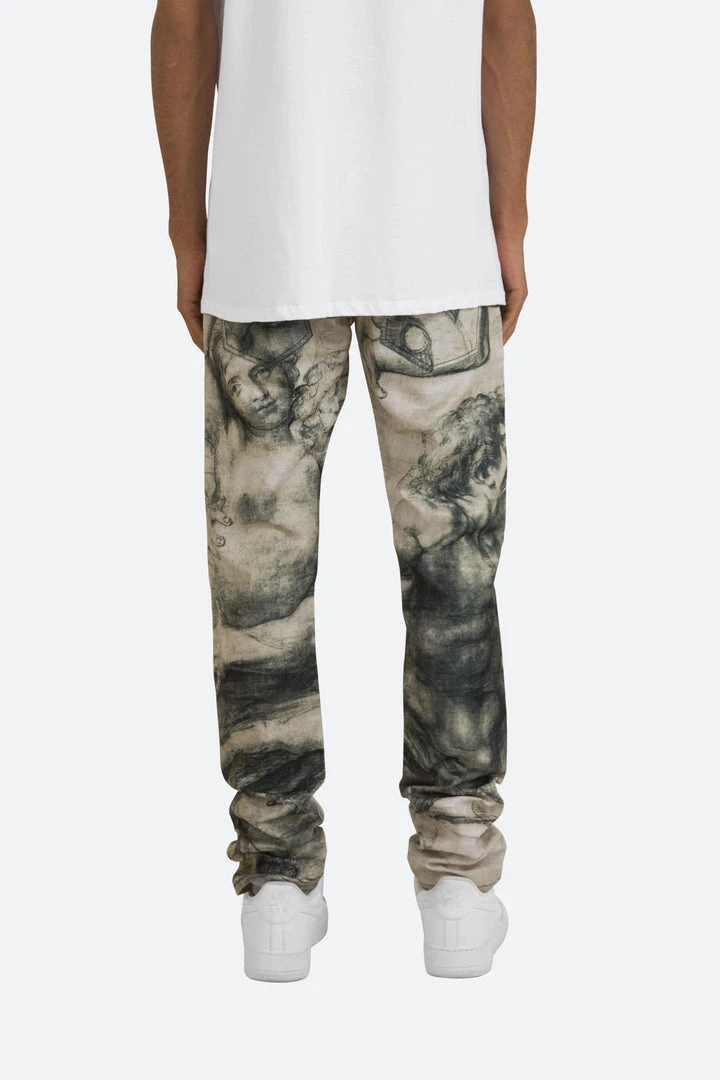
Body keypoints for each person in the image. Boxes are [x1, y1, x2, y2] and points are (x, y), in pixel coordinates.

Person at [151, 0, 536, 981]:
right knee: (453, 578)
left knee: (260, 587)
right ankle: (457, 881)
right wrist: (509, 222)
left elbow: (186, 21)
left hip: (267, 236)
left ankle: (276, 886)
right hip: (440, 238)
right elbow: (504, 19)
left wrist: (188, 229)